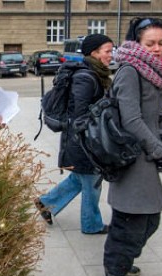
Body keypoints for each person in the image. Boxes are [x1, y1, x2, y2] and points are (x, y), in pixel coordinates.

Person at [103, 18, 162, 276]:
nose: (158, 49)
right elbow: (132, 120)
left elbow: (157, 117)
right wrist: (159, 150)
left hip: (146, 155)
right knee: (130, 219)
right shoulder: (130, 71)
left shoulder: (153, 72)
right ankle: (115, 275)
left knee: (148, 218)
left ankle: (123, 259)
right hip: (132, 156)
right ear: (138, 43)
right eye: (151, 43)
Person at [34, 33, 114, 234]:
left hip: (83, 139)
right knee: (92, 183)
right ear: (94, 53)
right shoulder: (85, 77)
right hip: (84, 142)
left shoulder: (95, 74)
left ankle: (46, 203)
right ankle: (91, 225)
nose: (111, 55)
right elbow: (80, 115)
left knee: (79, 179)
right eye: (108, 51)